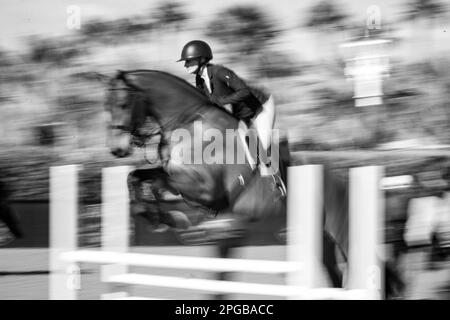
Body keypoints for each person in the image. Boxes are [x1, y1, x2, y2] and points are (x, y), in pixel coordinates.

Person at [177, 40, 277, 175]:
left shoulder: (219, 71)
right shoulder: (200, 80)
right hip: (243, 115)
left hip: (261, 108)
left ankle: (276, 185)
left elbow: (244, 91)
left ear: (201, 59)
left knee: (261, 152)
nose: (185, 65)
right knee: (242, 152)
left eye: (188, 61)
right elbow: (204, 104)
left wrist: (221, 101)